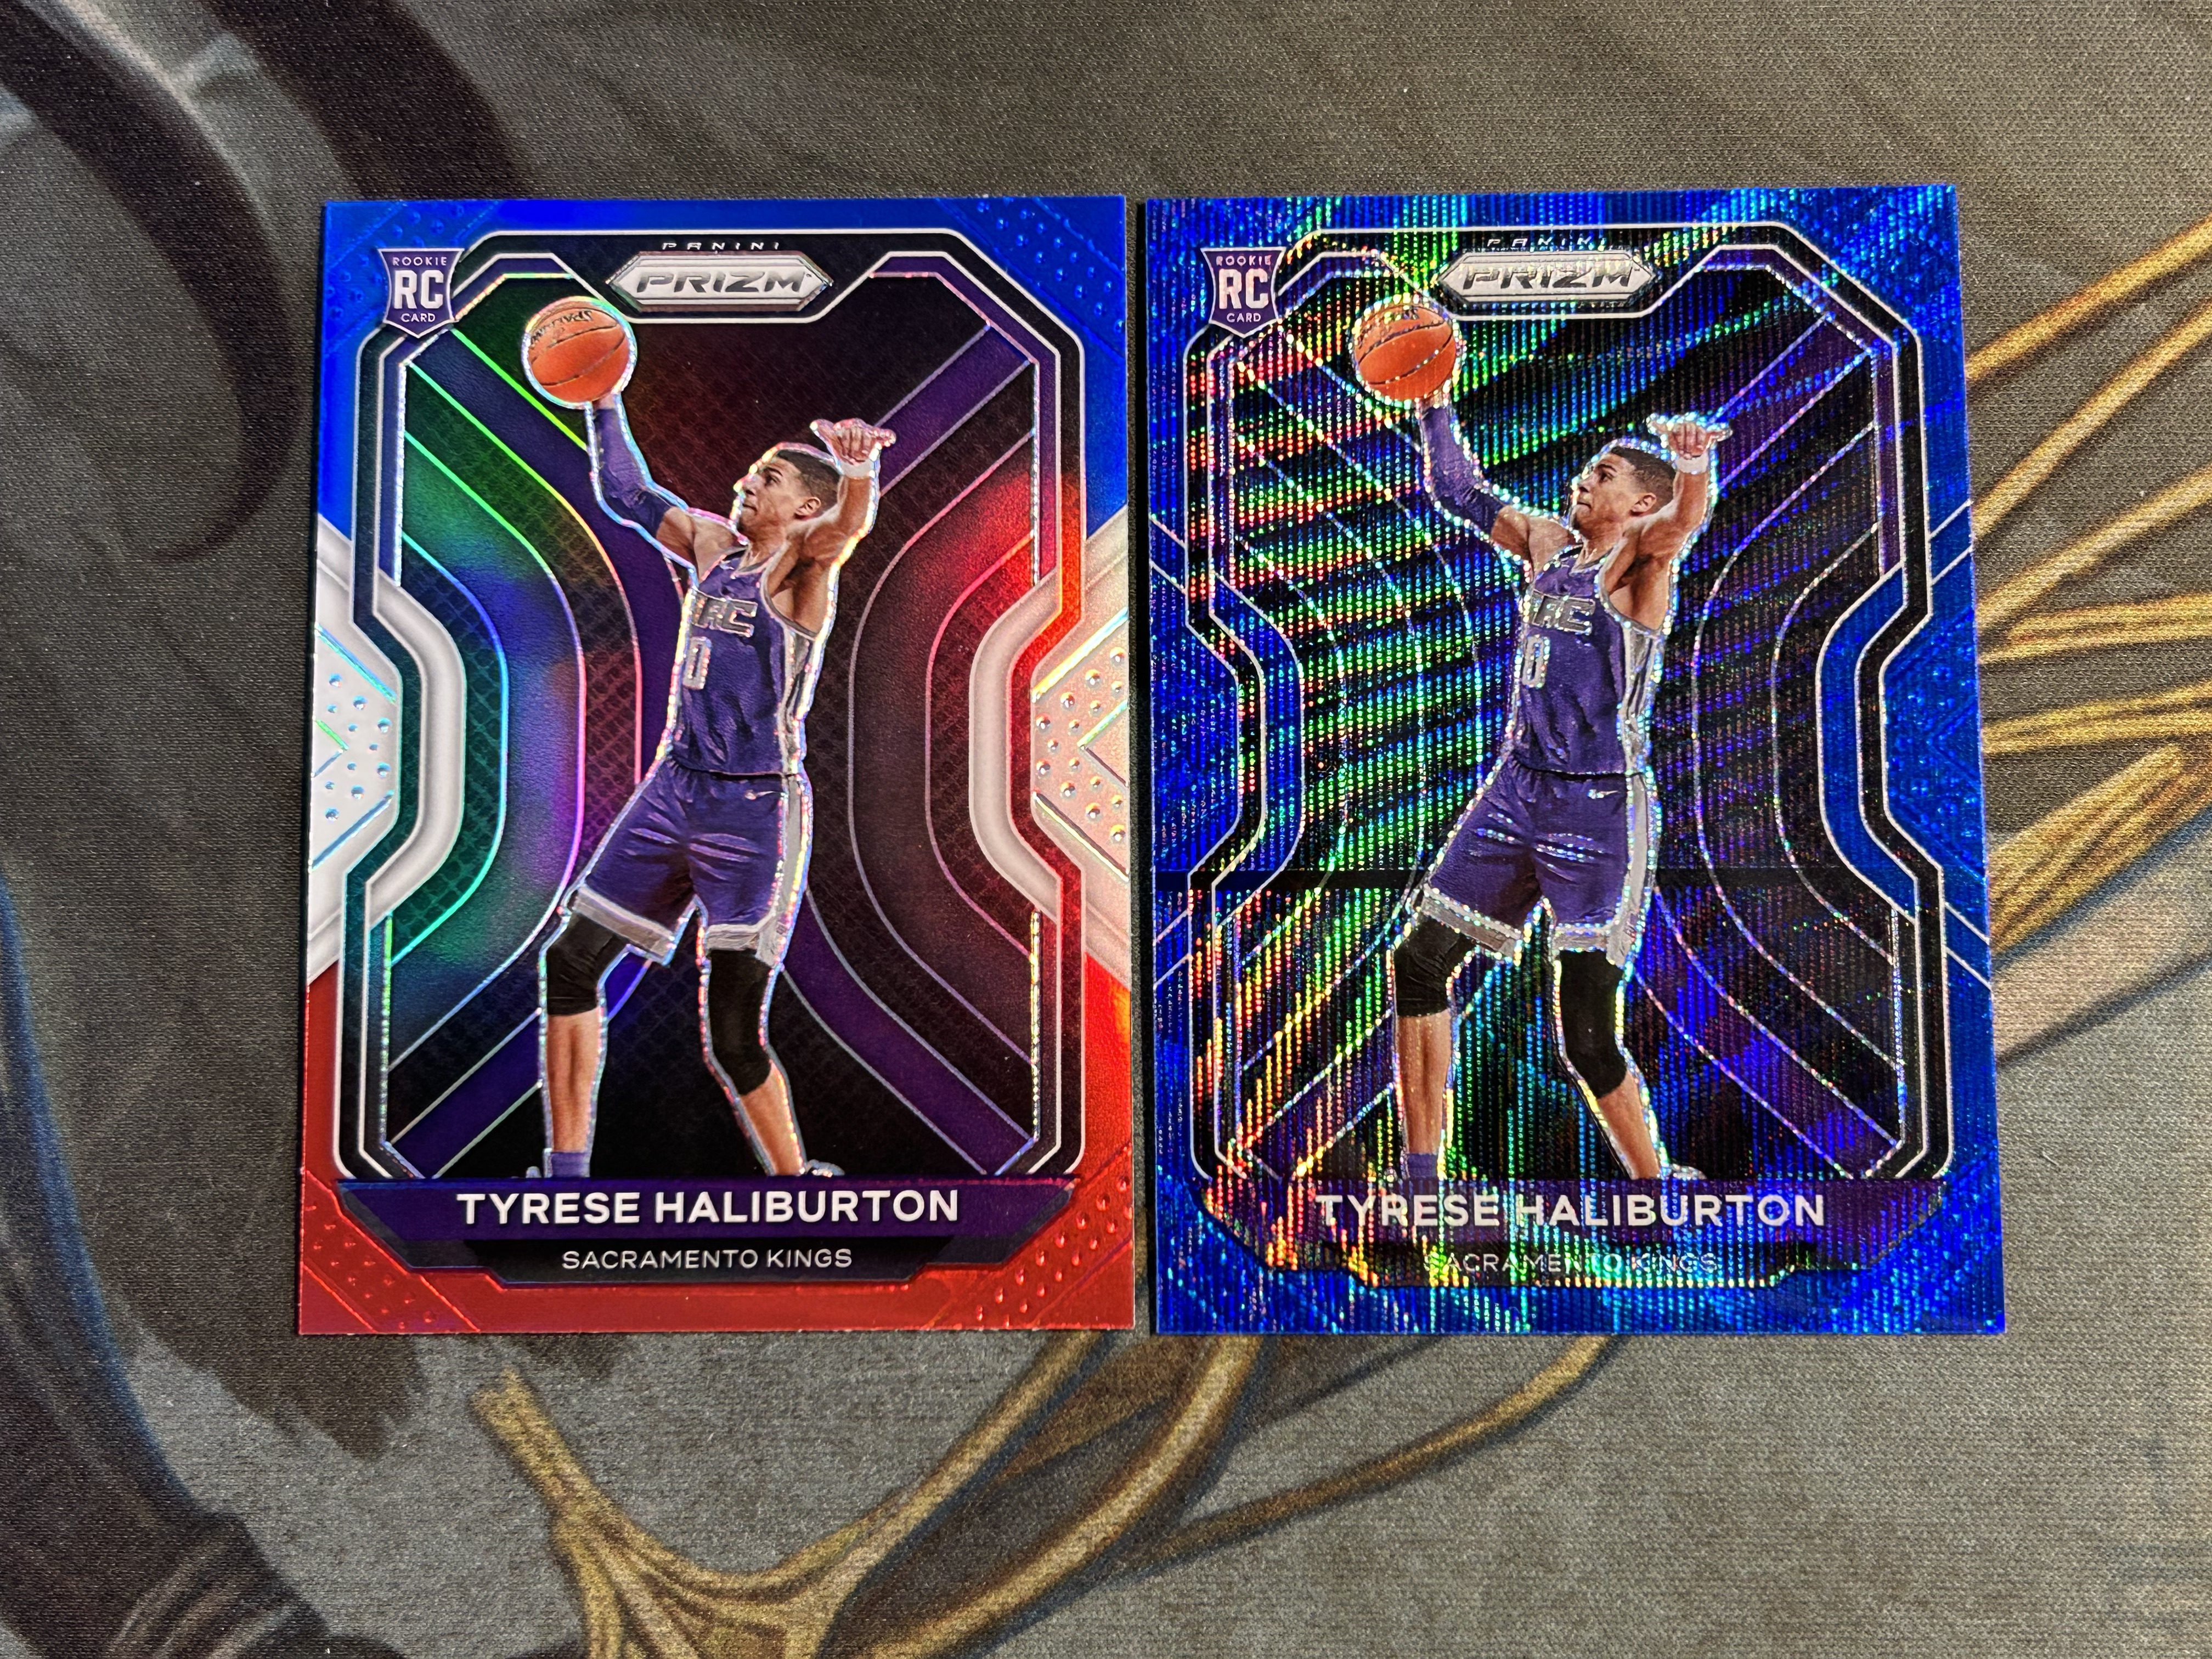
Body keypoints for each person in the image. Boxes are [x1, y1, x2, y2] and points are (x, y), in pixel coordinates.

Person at [534, 377, 894, 1178]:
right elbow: (627, 492)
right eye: (751, 472)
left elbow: (848, 528)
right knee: (570, 961)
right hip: (675, 788)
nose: (745, 482)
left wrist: (857, 470)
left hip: (754, 809)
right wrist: (602, 397)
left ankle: (796, 1186)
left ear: (804, 507)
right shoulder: (711, 548)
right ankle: (565, 1173)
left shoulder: (802, 569)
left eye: (769, 477)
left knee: (731, 1035)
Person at [1391, 391, 1727, 1183]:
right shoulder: (1548, 545)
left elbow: (1684, 522)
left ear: (1638, 503)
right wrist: (1434, 403)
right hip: (1517, 791)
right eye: (1585, 471)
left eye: (1603, 475)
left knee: (1584, 1035)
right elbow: (1460, 490)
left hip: (1598, 810)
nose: (1582, 481)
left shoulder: (1637, 562)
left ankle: (1653, 1184)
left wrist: (1690, 465)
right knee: (1419, 961)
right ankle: (1420, 1171)